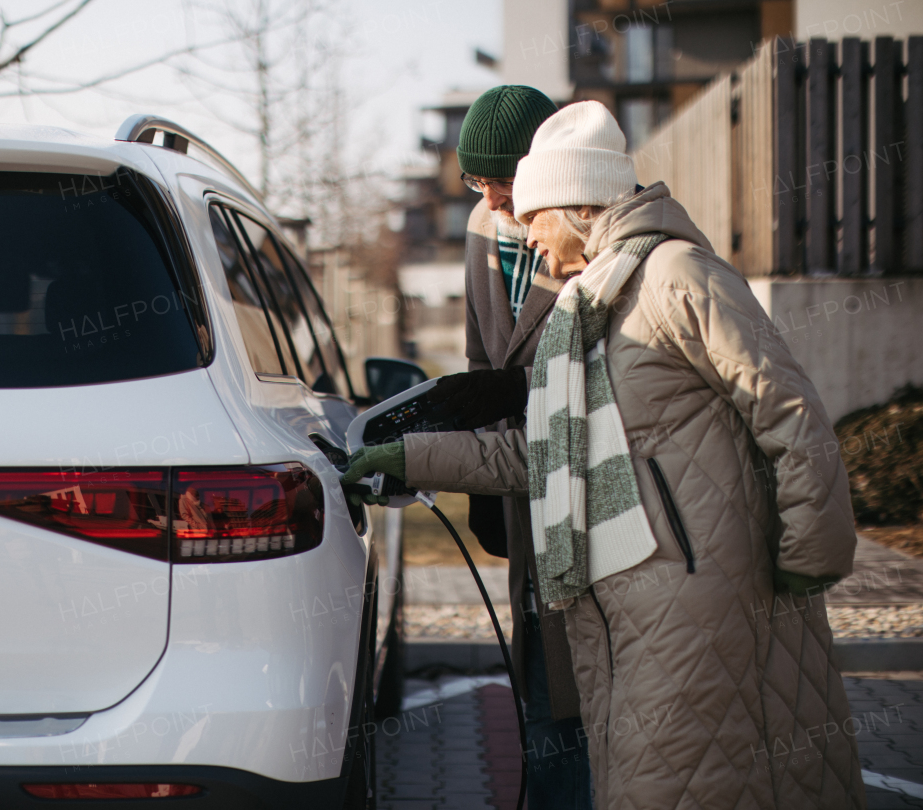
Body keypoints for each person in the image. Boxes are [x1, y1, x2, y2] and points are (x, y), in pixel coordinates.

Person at [344, 100, 865, 809]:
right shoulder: (589, 305)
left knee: (677, 784)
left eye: (534, 218)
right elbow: (546, 455)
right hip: (617, 609)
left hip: (695, 598)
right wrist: (410, 457)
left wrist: (809, 553)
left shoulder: (677, 276)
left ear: (578, 204)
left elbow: (788, 408)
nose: (525, 239)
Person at [417, 84, 595, 809]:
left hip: (581, 484)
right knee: (536, 667)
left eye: (501, 180)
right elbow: (479, 353)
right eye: (475, 180)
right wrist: (478, 480)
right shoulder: (480, 227)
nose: (489, 197)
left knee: (575, 691)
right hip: (516, 484)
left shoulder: (586, 237)